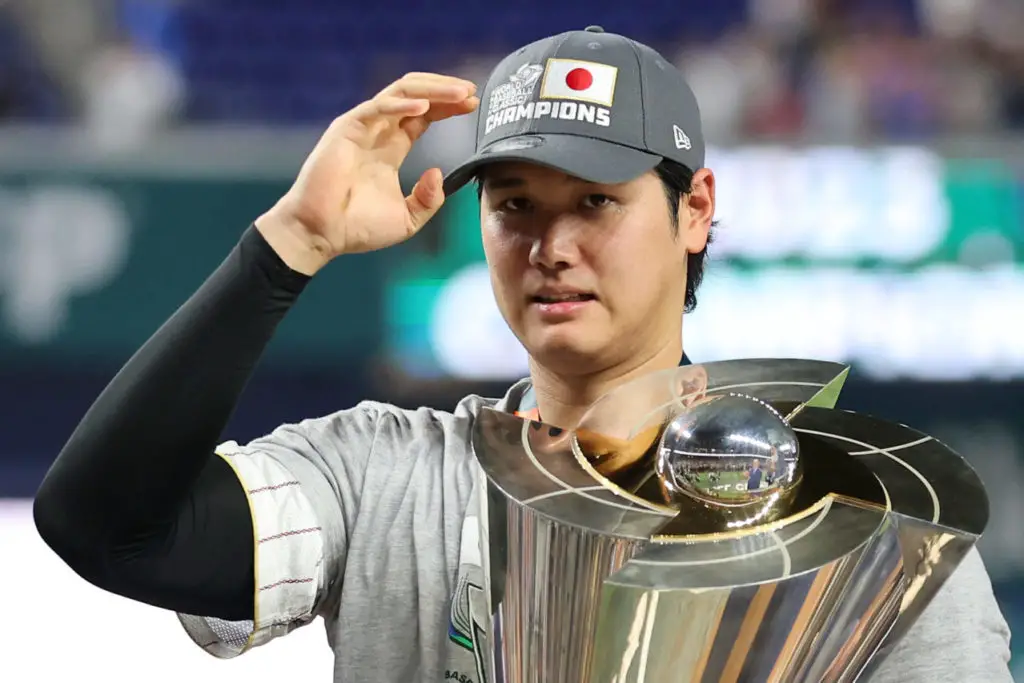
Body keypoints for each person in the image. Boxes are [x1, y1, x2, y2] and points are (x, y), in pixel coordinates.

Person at [33, 26, 1011, 683]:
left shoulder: (863, 523)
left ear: (696, 210)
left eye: (596, 201)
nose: (551, 245)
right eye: (514, 207)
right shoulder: (384, 472)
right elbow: (108, 527)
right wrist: (288, 241)